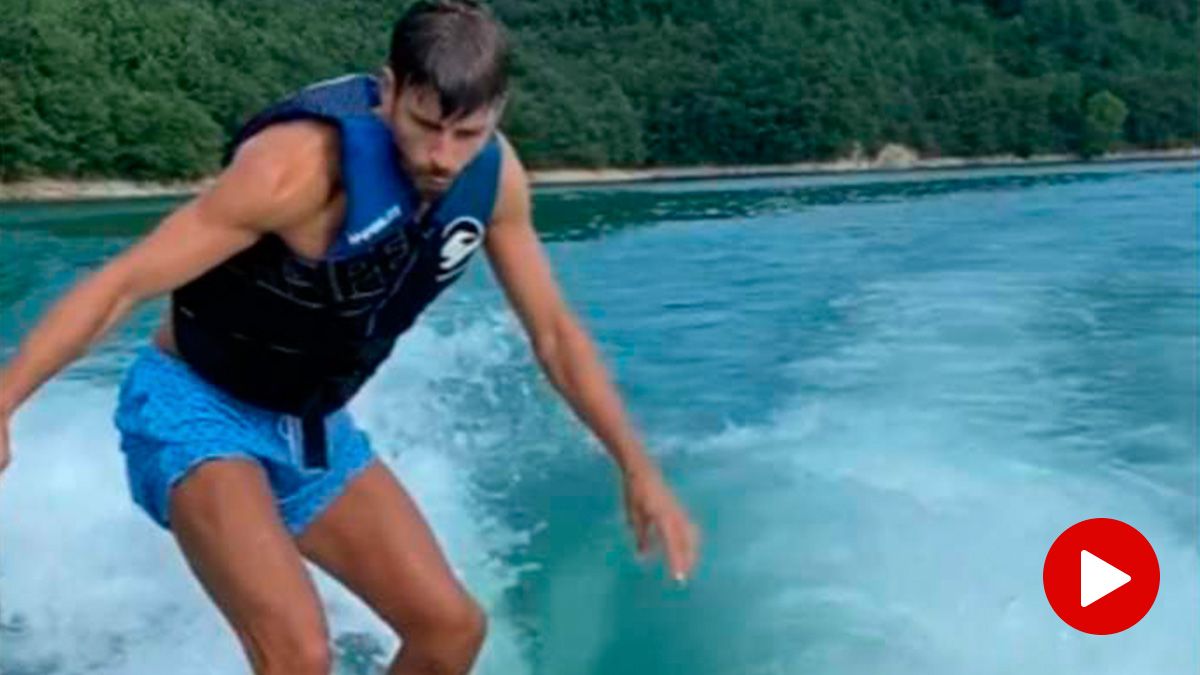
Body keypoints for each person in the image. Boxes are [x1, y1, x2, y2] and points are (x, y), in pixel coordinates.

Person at [0, 2, 700, 673]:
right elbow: (120, 283)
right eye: (426, 124)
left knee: (451, 630)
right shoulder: (293, 170)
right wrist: (4, 401)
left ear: (498, 115)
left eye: (468, 134)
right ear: (389, 91)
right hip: (193, 408)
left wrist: (635, 465)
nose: (443, 157)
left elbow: (553, 332)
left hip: (312, 430)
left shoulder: (495, 181)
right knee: (299, 653)